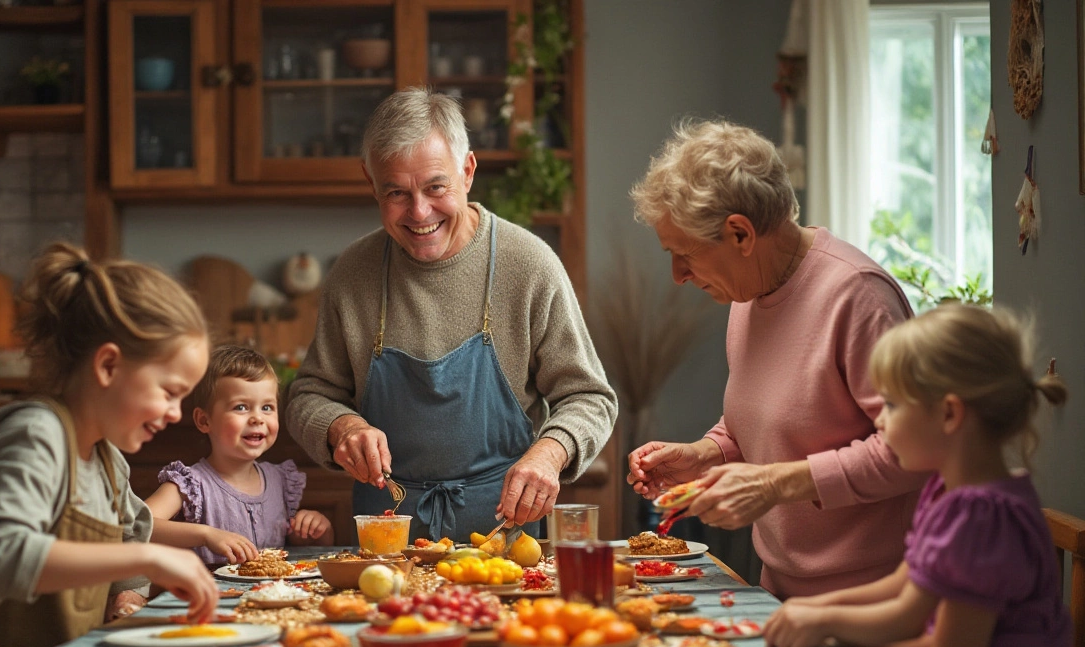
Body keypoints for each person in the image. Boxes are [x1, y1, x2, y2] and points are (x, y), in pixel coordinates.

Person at [285, 87, 617, 541]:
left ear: (468, 171)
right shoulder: (353, 273)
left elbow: (590, 397)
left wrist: (550, 453)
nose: (419, 212)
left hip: (507, 536)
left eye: (436, 187)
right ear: (371, 182)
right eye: (396, 193)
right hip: (388, 538)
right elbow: (307, 395)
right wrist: (343, 426)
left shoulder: (529, 264)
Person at [626, 119, 927, 598]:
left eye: (685, 254)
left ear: (741, 235)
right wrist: (704, 455)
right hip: (779, 591)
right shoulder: (749, 292)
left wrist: (773, 484)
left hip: (877, 601)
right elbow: (765, 419)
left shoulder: (859, 298)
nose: (678, 275)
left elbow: (915, 452)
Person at [0, 243, 219, 647]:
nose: (176, 413)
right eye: (169, 392)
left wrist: (128, 595)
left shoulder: (106, 457)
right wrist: (148, 559)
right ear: (108, 365)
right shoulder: (36, 436)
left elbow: (129, 538)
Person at [764, 303, 1082, 647]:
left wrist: (831, 626)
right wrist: (813, 608)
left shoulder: (983, 517)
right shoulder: (947, 489)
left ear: (949, 414)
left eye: (892, 406)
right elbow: (903, 584)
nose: (879, 423)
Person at [146, 345, 334, 565]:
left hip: (273, 597)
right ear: (204, 421)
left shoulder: (281, 481)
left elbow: (305, 548)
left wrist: (317, 529)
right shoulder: (190, 484)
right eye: (241, 407)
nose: (257, 418)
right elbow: (140, 525)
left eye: (267, 408)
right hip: (209, 597)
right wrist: (206, 535)